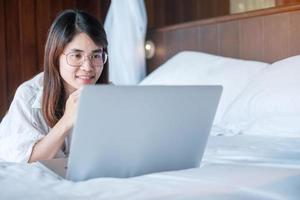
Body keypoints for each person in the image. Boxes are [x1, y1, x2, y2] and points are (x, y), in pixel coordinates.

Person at [0, 9, 108, 163]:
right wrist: (67, 120)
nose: (88, 67)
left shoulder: (110, 96)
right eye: (77, 56)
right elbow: (25, 161)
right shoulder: (29, 96)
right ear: (56, 56)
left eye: (96, 55)